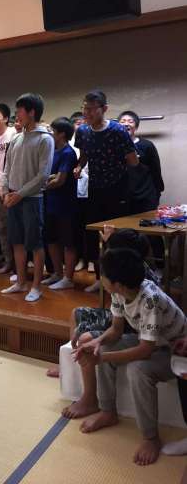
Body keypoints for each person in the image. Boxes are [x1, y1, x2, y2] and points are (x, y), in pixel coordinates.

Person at [74, 247, 186, 466]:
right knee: (103, 348)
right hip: (152, 342)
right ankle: (108, 411)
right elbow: (116, 330)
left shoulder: (150, 299)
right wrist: (98, 342)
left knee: (138, 371)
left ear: (118, 283)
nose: (101, 277)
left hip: (177, 351)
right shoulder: (119, 292)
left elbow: (145, 350)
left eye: (103, 275)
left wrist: (103, 359)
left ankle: (150, 438)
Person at [57, 226, 160, 409]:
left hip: (133, 325)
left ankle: (89, 397)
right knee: (76, 314)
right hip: (119, 317)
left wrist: (98, 341)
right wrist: (108, 240)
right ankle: (73, 364)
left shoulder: (138, 278)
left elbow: (131, 328)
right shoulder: (122, 267)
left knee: (85, 338)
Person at [74, 90, 139, 293]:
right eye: (85, 108)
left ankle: (122, 281)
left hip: (118, 189)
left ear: (104, 109)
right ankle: (100, 279)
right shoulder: (83, 131)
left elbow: (133, 161)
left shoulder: (118, 130)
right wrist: (79, 166)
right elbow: (83, 155)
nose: (87, 112)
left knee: (117, 236)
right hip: (95, 189)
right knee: (95, 235)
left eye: (91, 109)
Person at [1, 93, 54, 302]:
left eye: (19, 111)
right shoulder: (16, 137)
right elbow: (7, 167)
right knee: (17, 242)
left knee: (35, 243)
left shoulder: (45, 139)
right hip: (13, 197)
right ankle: (21, 282)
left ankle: (36, 286)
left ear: (32, 112)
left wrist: (19, 194)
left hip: (32, 199)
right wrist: (5, 190)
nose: (17, 115)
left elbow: (43, 175)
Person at [42, 117, 78, 290]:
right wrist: (47, 180)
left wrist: (40, 185)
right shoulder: (52, 150)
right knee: (51, 239)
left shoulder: (68, 153)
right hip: (50, 203)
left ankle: (68, 278)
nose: (50, 133)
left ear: (62, 134)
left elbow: (60, 180)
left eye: (52, 130)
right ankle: (57, 273)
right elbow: (50, 176)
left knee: (68, 242)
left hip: (65, 205)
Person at [118, 110, 164, 214]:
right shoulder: (113, 145)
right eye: (123, 121)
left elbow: (156, 170)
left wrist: (157, 193)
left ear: (136, 127)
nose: (126, 124)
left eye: (130, 121)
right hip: (122, 197)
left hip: (146, 195)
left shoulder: (147, 145)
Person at [0, 104, 16, 274]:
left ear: (6, 118)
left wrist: (6, 187)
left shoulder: (12, 133)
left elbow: (13, 162)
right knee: (0, 228)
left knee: (12, 227)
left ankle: (18, 265)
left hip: (9, 186)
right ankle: (8, 261)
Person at [69, 112, 90, 272]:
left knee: (88, 227)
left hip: (90, 190)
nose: (81, 125)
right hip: (73, 191)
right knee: (75, 227)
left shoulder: (92, 139)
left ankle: (90, 259)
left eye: (83, 122)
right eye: (77, 123)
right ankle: (79, 259)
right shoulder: (69, 144)